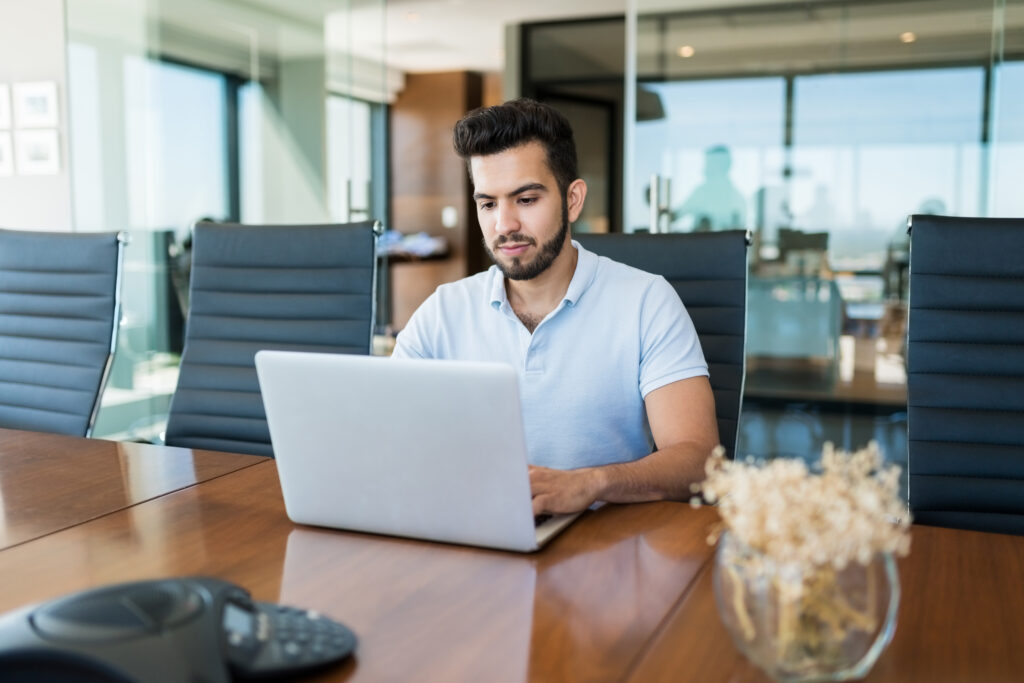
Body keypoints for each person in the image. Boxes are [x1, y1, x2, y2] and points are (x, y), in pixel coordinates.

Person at [392, 98, 718, 516]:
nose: (504, 225)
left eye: (525, 199)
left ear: (573, 199)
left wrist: (590, 483)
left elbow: (700, 461)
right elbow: (388, 436)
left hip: (604, 548)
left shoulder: (646, 301)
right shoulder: (444, 310)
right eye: (488, 203)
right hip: (472, 533)